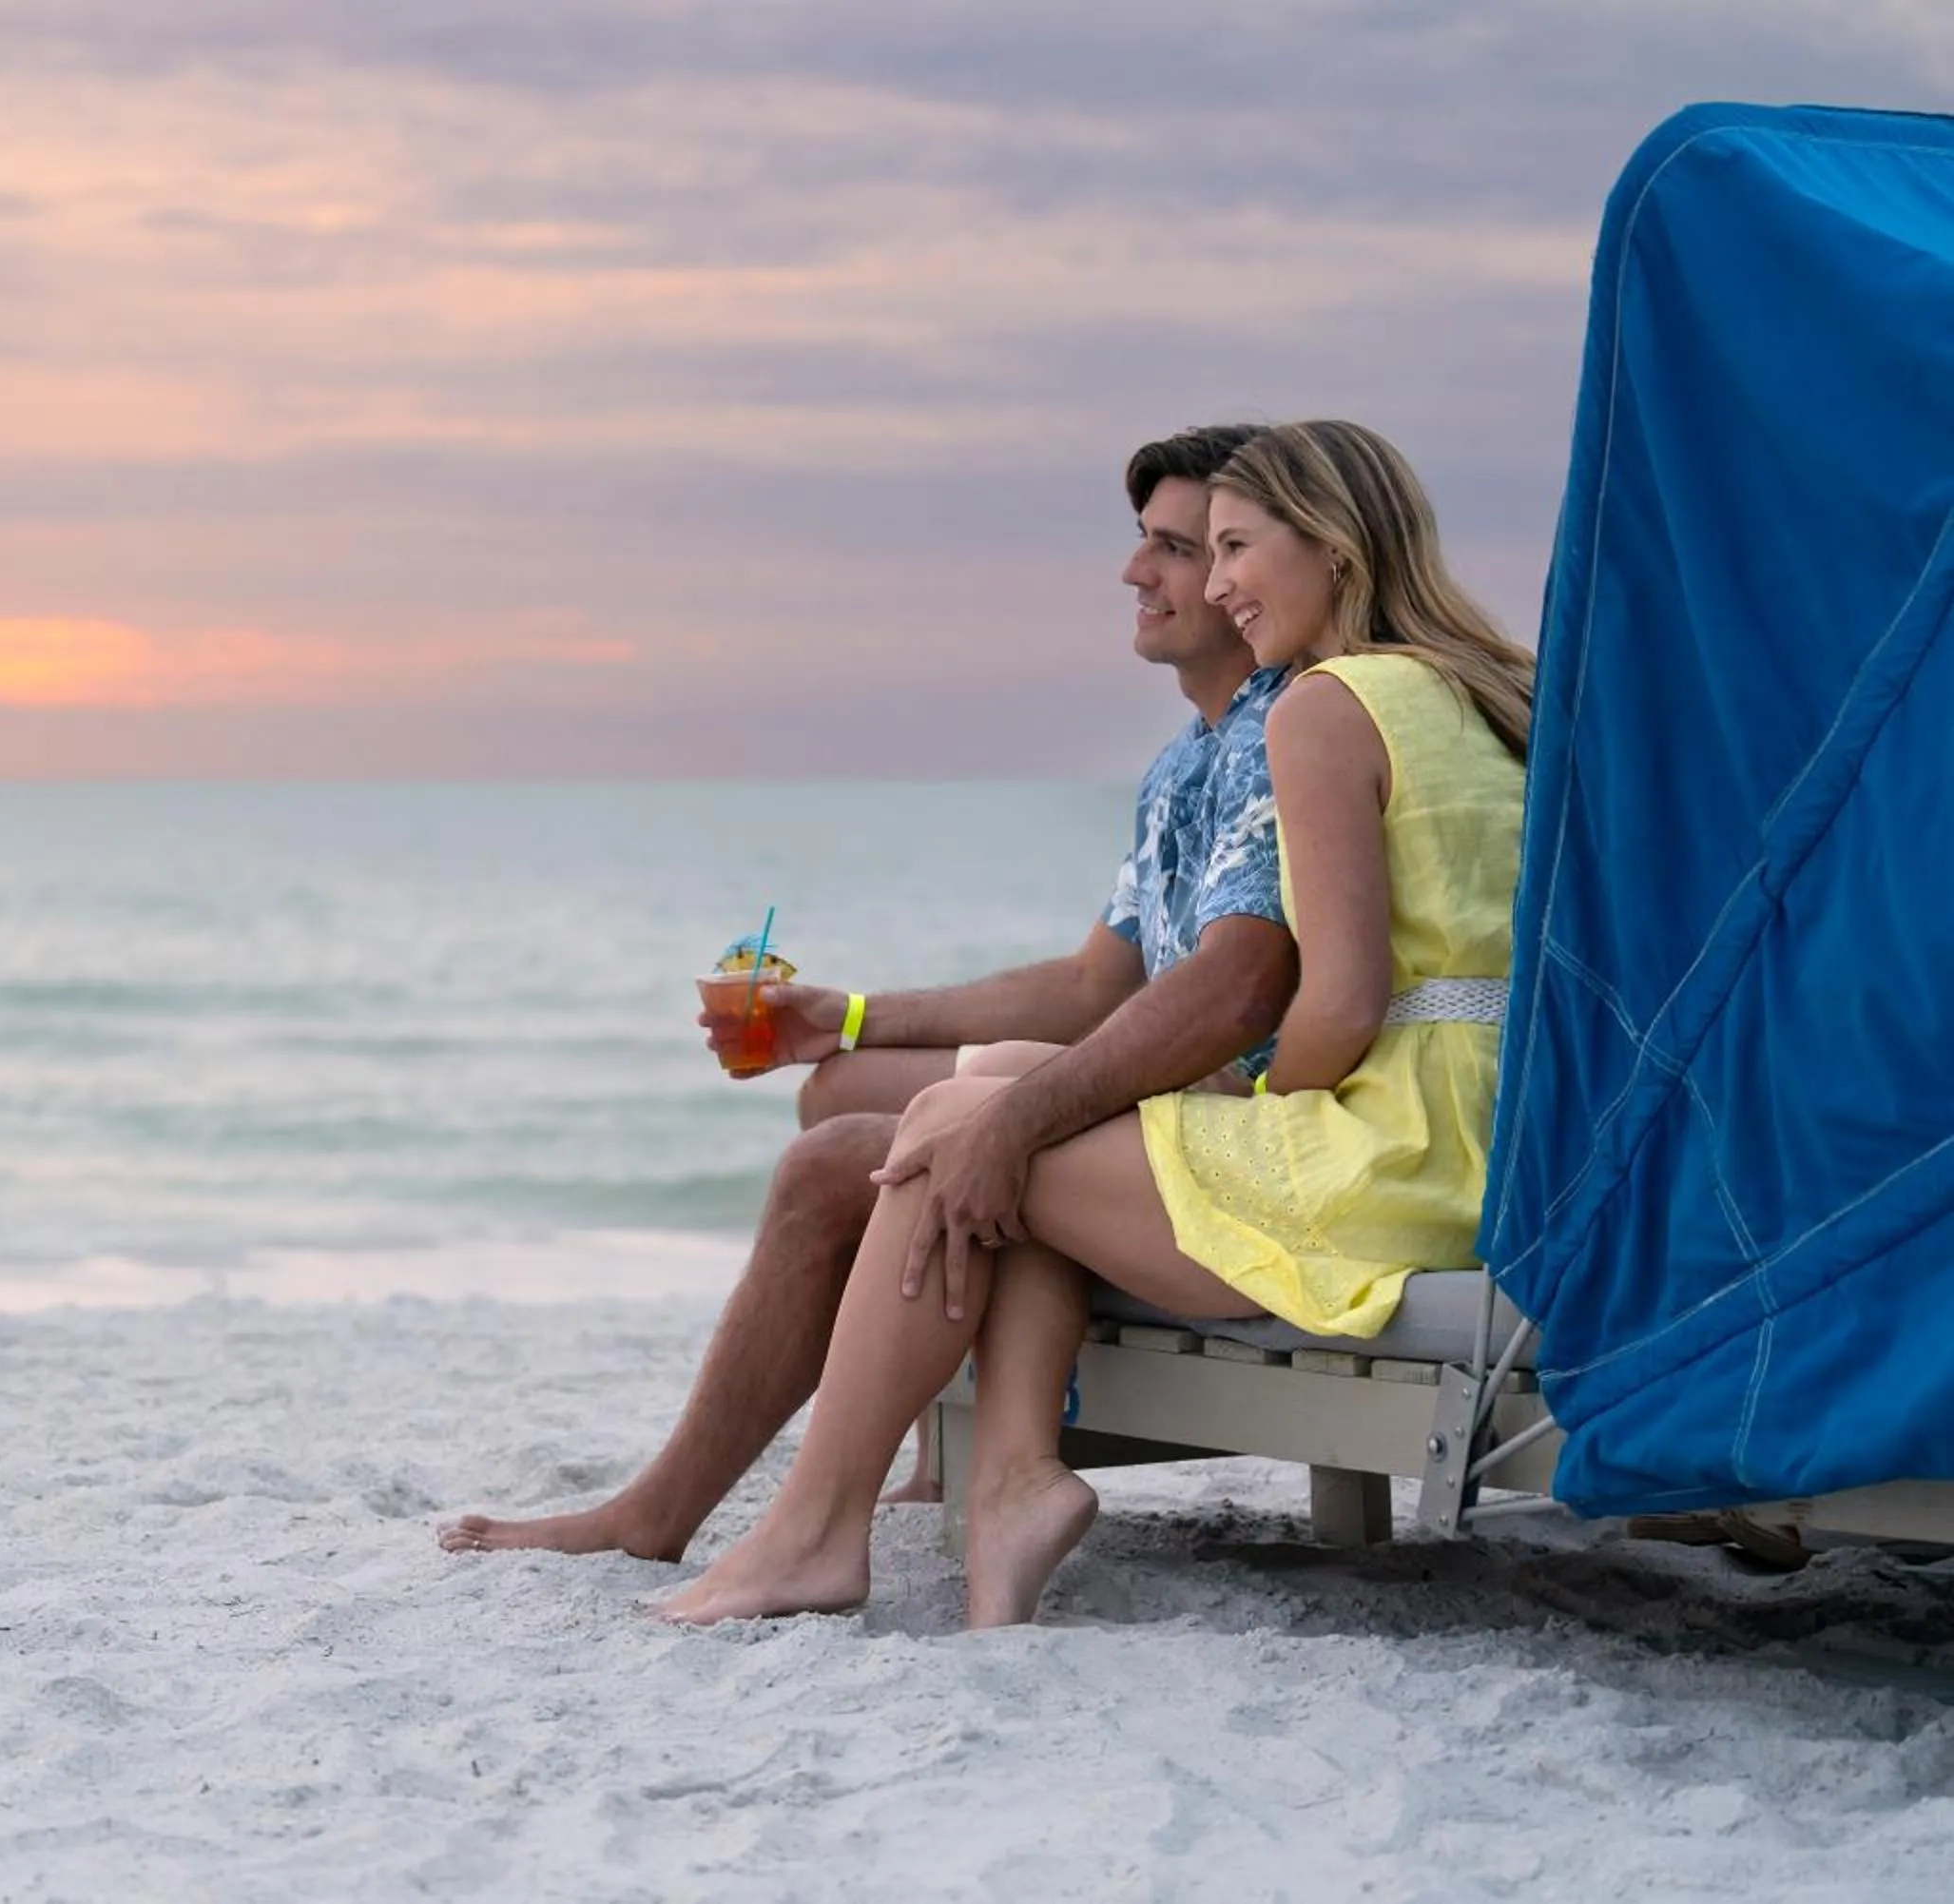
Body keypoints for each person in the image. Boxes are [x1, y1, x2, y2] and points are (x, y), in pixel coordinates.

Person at [651, 419, 1537, 1628]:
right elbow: (1106, 989)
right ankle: (1007, 1476)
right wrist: (856, 1018)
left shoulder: (1325, 706)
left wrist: (1257, 1101)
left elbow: (1334, 1000)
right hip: (1488, 1139)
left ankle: (818, 1530)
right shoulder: (1476, 694)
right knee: (994, 1097)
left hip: (1388, 1165)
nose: (1212, 581)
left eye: (1229, 547)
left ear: (1330, 546)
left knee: (954, 1130)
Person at [438, 423, 1299, 1564]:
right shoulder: (1188, 760)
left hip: (1228, 1136)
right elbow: (1098, 983)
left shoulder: (1289, 732)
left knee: (847, 1157)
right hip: (1154, 1102)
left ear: (1252, 578)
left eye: (1183, 549)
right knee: (843, 1088)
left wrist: (1022, 1109)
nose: (1138, 572)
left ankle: (673, 1513)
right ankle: (944, 1449)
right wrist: (841, 1017)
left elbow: (1236, 994)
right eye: (1146, 542)